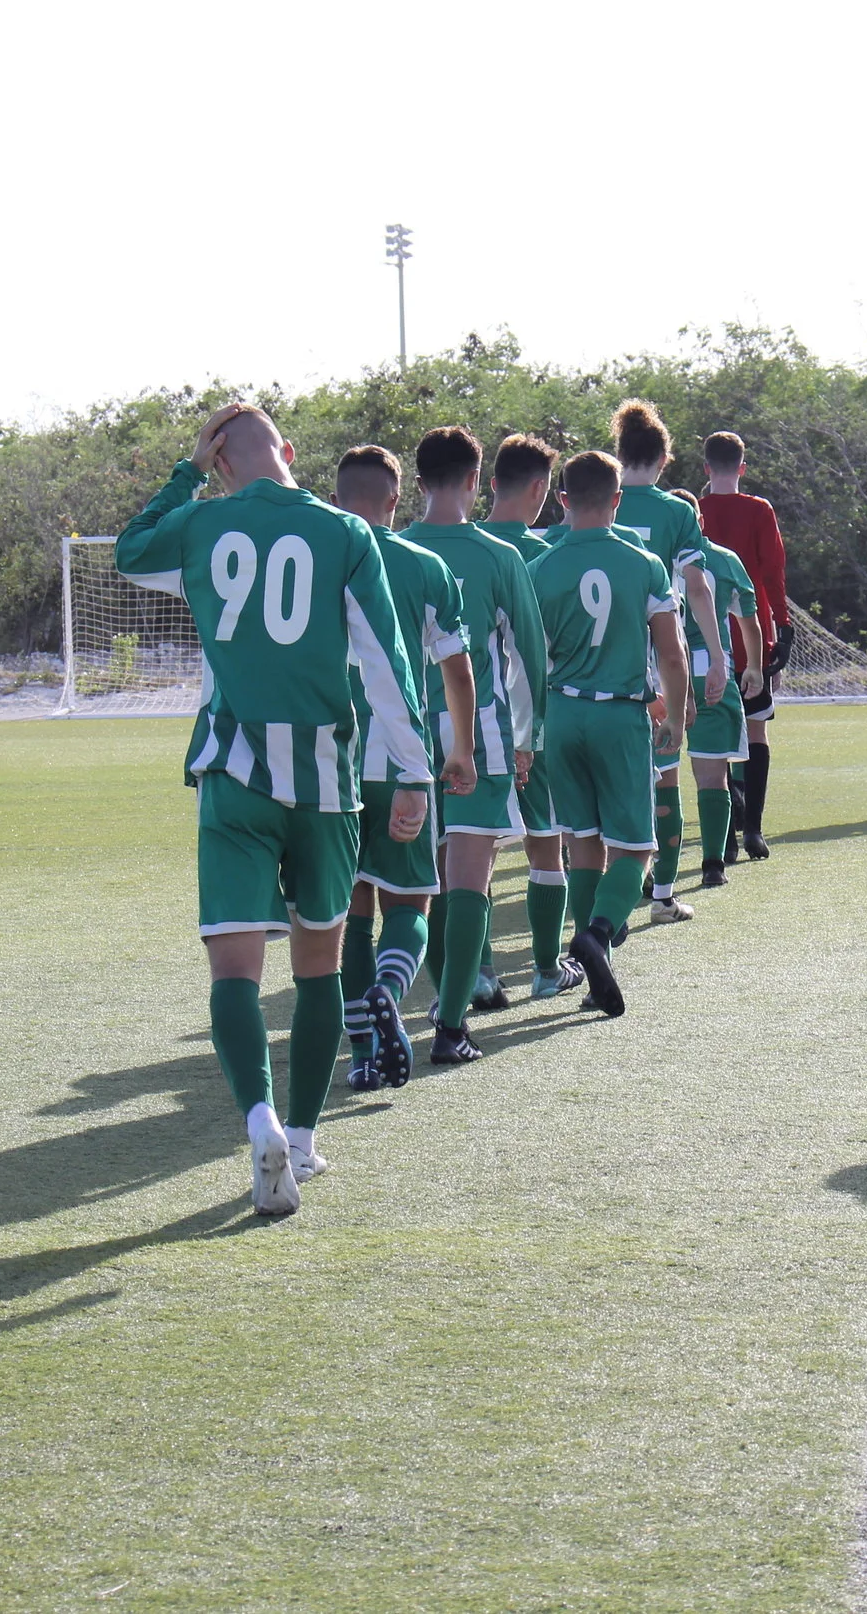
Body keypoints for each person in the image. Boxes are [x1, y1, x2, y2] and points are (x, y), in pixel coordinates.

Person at [115, 403, 436, 1216]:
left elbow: (129, 553)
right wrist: (412, 773)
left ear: (221, 465)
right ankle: (300, 1137)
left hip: (233, 770)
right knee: (318, 964)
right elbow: (386, 660)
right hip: (326, 779)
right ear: (291, 452)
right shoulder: (347, 534)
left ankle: (256, 1116)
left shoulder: (202, 525)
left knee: (233, 968)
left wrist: (188, 475)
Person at [399, 427, 555, 1064]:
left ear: (418, 480)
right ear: (474, 479)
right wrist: (527, 737)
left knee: (422, 882)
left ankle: (432, 999)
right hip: (479, 735)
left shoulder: (389, 549)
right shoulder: (498, 555)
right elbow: (530, 657)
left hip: (401, 738)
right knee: (470, 876)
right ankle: (452, 1025)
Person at [330, 445, 479, 1088]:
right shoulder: (427, 566)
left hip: (330, 761)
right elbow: (457, 671)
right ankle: (393, 990)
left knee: (348, 911)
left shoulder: (319, 561)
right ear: (397, 500)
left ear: (335, 499)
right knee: (411, 899)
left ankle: (363, 1054)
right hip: (403, 760)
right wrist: (462, 751)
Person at [529, 451, 691, 1017]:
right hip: (621, 714)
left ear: (563, 501)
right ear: (618, 499)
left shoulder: (541, 567)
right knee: (636, 849)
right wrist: (674, 713)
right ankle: (596, 935)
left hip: (563, 714)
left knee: (583, 845)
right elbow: (670, 652)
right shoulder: (644, 563)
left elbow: (529, 659)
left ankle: (597, 975)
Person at [606, 402, 725, 926]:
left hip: (594, 663)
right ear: (664, 458)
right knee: (663, 778)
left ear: (619, 453)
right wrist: (717, 657)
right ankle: (662, 897)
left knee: (597, 792)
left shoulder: (595, 499)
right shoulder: (676, 512)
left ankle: (595, 903)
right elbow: (696, 588)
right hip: (655, 664)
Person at [480, 434, 588, 1000]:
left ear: (492, 482)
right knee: (546, 842)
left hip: (465, 722)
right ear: (542, 489)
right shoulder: (544, 556)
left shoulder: (454, 548)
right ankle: (547, 972)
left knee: (472, 851)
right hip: (532, 724)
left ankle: (479, 971)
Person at [696, 431, 790, 861]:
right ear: (743, 467)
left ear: (705, 468)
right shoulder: (759, 510)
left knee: (714, 737)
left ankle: (726, 834)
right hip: (751, 640)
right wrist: (782, 627)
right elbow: (773, 573)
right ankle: (754, 829)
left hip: (703, 642)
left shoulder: (691, 511)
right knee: (756, 730)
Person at [678, 534, 766, 886]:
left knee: (656, 779)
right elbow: (749, 620)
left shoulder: (643, 551)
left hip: (654, 673)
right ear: (698, 520)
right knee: (712, 777)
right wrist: (755, 667)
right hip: (708, 670)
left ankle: (652, 870)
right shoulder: (724, 559)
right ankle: (713, 862)